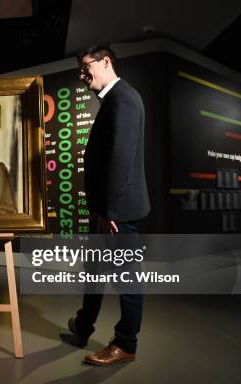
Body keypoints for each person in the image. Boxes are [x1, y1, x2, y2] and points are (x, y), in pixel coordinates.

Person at [66, 46, 150, 365]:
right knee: (95, 271)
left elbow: (121, 160)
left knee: (127, 279)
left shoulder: (124, 99)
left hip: (117, 213)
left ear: (106, 62)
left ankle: (126, 343)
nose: (81, 74)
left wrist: (109, 212)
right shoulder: (115, 99)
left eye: (86, 66)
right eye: (79, 70)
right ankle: (84, 324)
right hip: (106, 209)